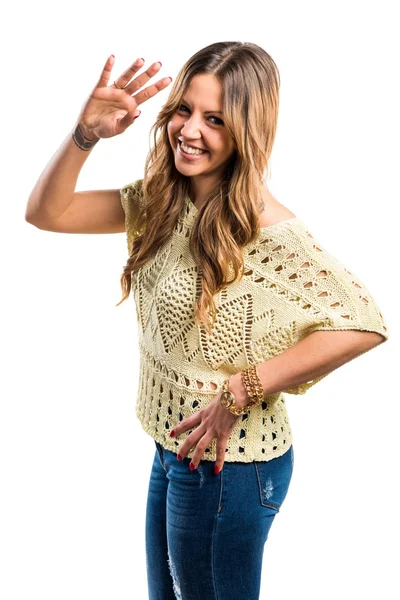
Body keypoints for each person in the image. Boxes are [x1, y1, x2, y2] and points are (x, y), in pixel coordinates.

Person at [25, 41, 389, 600]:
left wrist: (242, 389)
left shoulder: (266, 230)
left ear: (246, 130)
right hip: (172, 450)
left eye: (214, 119)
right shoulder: (160, 203)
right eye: (183, 110)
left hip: (230, 468)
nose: (189, 130)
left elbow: (363, 323)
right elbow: (47, 213)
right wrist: (85, 135)